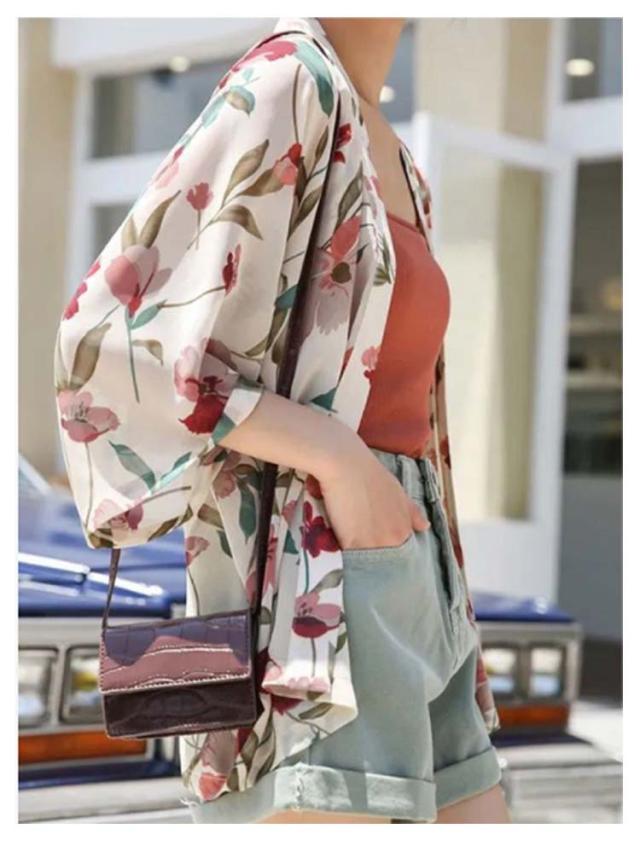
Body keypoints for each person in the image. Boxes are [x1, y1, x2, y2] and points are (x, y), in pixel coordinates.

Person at [55, 15, 509, 824]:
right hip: (315, 572)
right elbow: (111, 342)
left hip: (420, 559)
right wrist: (338, 458)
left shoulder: (395, 153)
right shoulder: (287, 81)